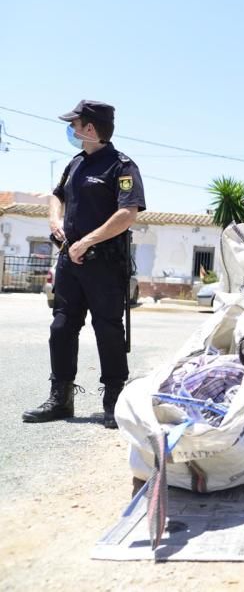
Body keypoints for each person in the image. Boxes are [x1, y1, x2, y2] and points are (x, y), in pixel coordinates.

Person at [22, 100, 145, 429]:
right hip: (69, 264)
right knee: (61, 327)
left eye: (75, 125)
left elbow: (127, 214)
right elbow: (57, 195)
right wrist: (54, 220)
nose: (71, 131)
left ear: (90, 129)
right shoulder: (75, 164)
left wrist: (87, 241)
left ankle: (115, 400)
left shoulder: (121, 167)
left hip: (103, 265)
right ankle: (60, 398)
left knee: (108, 330)